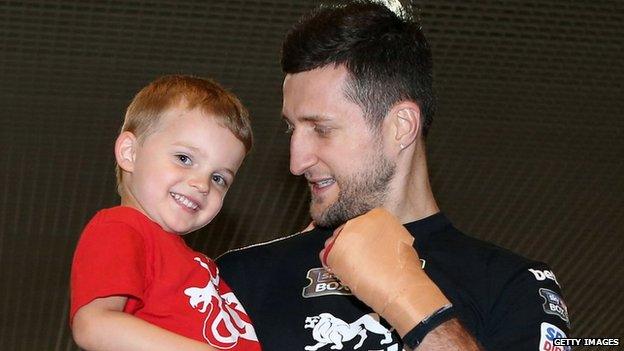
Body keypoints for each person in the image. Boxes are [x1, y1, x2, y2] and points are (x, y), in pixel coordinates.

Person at [216, 2, 570, 350]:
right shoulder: (241, 279)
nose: (297, 161)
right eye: (292, 129)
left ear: (401, 127)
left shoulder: (510, 284)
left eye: (321, 129)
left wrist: (417, 309)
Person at [70, 75, 262, 351]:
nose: (202, 184)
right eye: (184, 159)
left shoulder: (196, 263)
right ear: (130, 152)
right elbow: (95, 325)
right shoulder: (120, 227)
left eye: (219, 178)